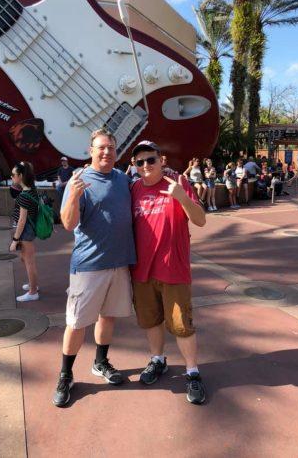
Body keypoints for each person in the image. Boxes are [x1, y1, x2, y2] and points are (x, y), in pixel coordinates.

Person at [52, 128, 136, 408]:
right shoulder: (79, 180)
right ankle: (66, 375)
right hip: (88, 265)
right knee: (76, 324)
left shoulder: (123, 179)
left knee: (108, 317)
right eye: (101, 147)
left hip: (119, 263)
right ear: (90, 151)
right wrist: (73, 196)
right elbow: (67, 223)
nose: (107, 152)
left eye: (111, 147)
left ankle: (100, 363)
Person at [131, 140, 207, 405]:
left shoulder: (179, 184)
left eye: (151, 159)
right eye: (140, 162)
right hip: (142, 271)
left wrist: (182, 197)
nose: (146, 166)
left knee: (182, 325)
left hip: (173, 269)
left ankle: (192, 372)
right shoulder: (133, 189)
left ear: (161, 160)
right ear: (134, 166)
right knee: (151, 321)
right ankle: (157, 360)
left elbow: (200, 220)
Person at [9, 162, 39, 302]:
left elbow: (22, 220)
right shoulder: (31, 189)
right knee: (25, 259)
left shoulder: (24, 195)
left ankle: (33, 292)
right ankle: (33, 284)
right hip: (29, 229)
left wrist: (15, 240)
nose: (12, 177)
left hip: (25, 231)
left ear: (20, 176)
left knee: (29, 262)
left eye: (14, 175)